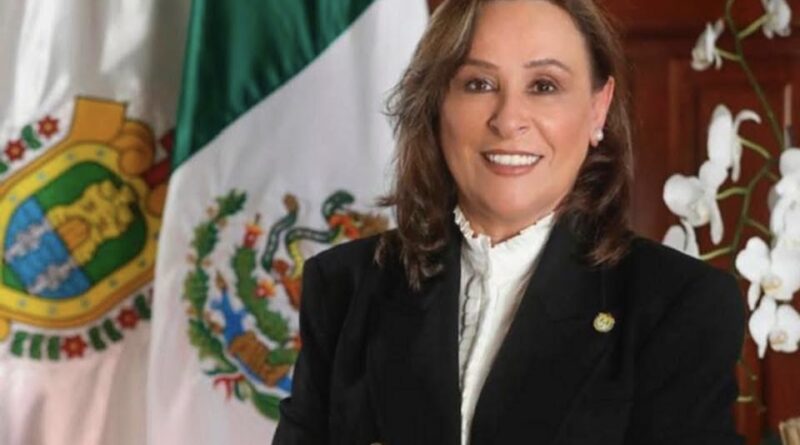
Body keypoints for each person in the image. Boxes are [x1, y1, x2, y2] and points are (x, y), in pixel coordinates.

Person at [273, 0, 745, 444]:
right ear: (437, 103)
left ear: (597, 109)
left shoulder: (679, 306)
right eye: (478, 84)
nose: (508, 119)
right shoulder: (345, 288)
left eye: (544, 86)